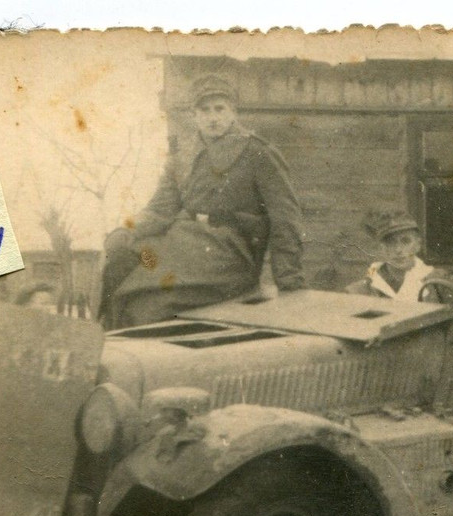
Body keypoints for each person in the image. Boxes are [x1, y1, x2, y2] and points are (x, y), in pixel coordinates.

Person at [99, 74, 304, 328]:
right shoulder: (182, 157)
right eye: (204, 110)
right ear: (194, 116)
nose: (213, 117)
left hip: (230, 255)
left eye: (220, 108)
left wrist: (289, 282)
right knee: (121, 263)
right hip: (182, 245)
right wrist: (128, 229)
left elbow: (285, 219)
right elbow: (160, 209)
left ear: (233, 112)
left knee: (148, 305)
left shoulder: (258, 153)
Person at [345, 210, 437, 301]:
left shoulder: (435, 280)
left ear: (418, 245)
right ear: (381, 248)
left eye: (406, 241)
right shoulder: (366, 283)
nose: (398, 250)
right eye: (390, 243)